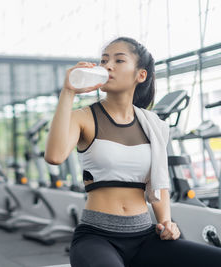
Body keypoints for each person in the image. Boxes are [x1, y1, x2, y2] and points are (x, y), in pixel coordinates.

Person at [44, 36, 221, 267]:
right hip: (96, 237)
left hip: (145, 236)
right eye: (104, 60)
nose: (108, 66)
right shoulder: (84, 117)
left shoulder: (153, 124)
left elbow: (159, 182)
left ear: (141, 75)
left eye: (118, 60)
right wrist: (68, 92)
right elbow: (54, 156)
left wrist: (166, 222)